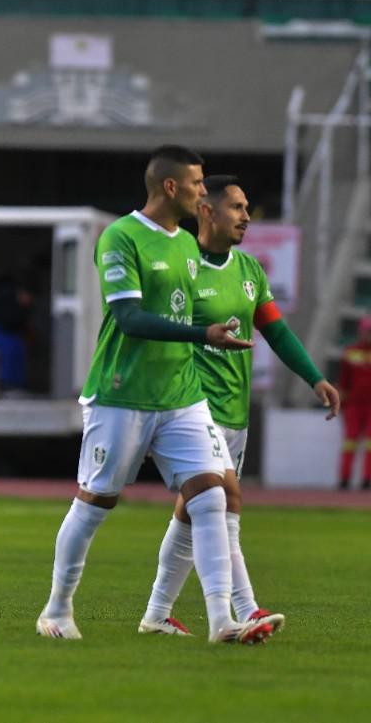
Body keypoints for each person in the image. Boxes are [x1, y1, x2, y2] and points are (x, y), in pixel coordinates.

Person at [35, 145, 283, 644]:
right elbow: (129, 318)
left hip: (181, 395)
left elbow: (184, 314)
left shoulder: (187, 244)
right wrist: (202, 335)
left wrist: (213, 331)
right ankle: (57, 609)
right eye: (196, 183)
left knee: (210, 496)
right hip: (122, 394)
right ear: (171, 187)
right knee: (96, 502)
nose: (202, 192)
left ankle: (222, 621)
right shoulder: (120, 237)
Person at [138, 174, 339, 636]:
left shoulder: (249, 270)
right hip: (190, 408)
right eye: (237, 207)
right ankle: (246, 609)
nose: (246, 216)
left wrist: (314, 377)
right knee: (226, 499)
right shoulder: (180, 265)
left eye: (247, 207)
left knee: (194, 513)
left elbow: (277, 332)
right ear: (206, 211)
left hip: (234, 412)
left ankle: (156, 613)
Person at [337, 315, 371, 489]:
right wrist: (342, 405)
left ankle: (367, 480)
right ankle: (344, 479)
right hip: (354, 406)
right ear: (361, 331)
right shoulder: (350, 352)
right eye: (367, 331)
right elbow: (344, 381)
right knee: (349, 443)